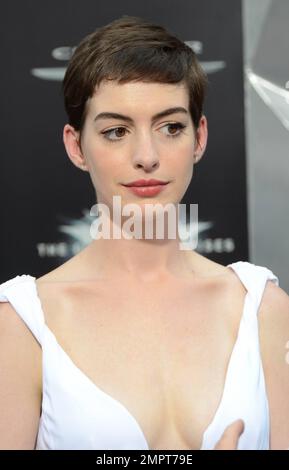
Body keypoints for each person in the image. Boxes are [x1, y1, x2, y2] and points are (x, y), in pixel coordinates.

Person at [0, 15, 289, 451]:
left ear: (199, 137)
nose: (146, 156)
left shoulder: (263, 308)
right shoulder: (21, 325)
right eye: (116, 131)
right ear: (76, 146)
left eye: (170, 127)